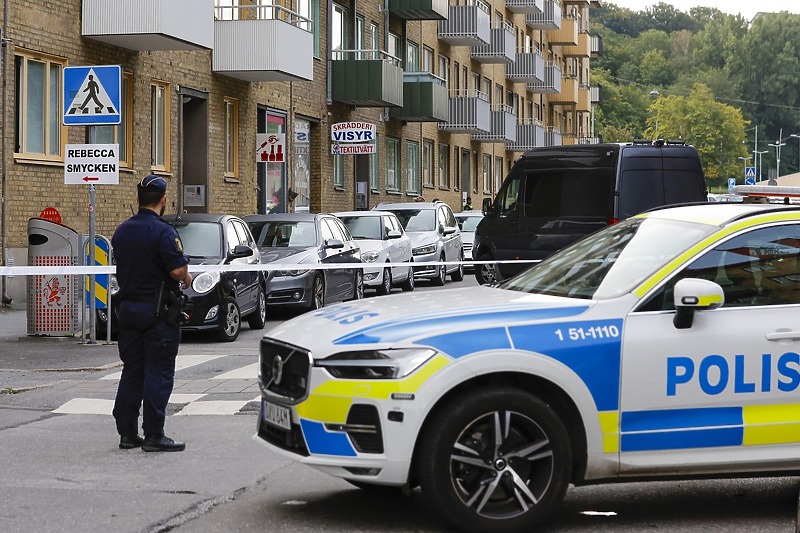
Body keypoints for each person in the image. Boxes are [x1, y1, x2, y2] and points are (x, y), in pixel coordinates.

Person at [111, 175, 192, 452]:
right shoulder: (163, 232)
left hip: (128, 310)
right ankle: (155, 435)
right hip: (157, 312)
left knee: (132, 371)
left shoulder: (122, 230)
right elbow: (177, 271)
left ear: (137, 199)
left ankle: (127, 434)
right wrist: (187, 276)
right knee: (158, 372)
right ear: (163, 200)